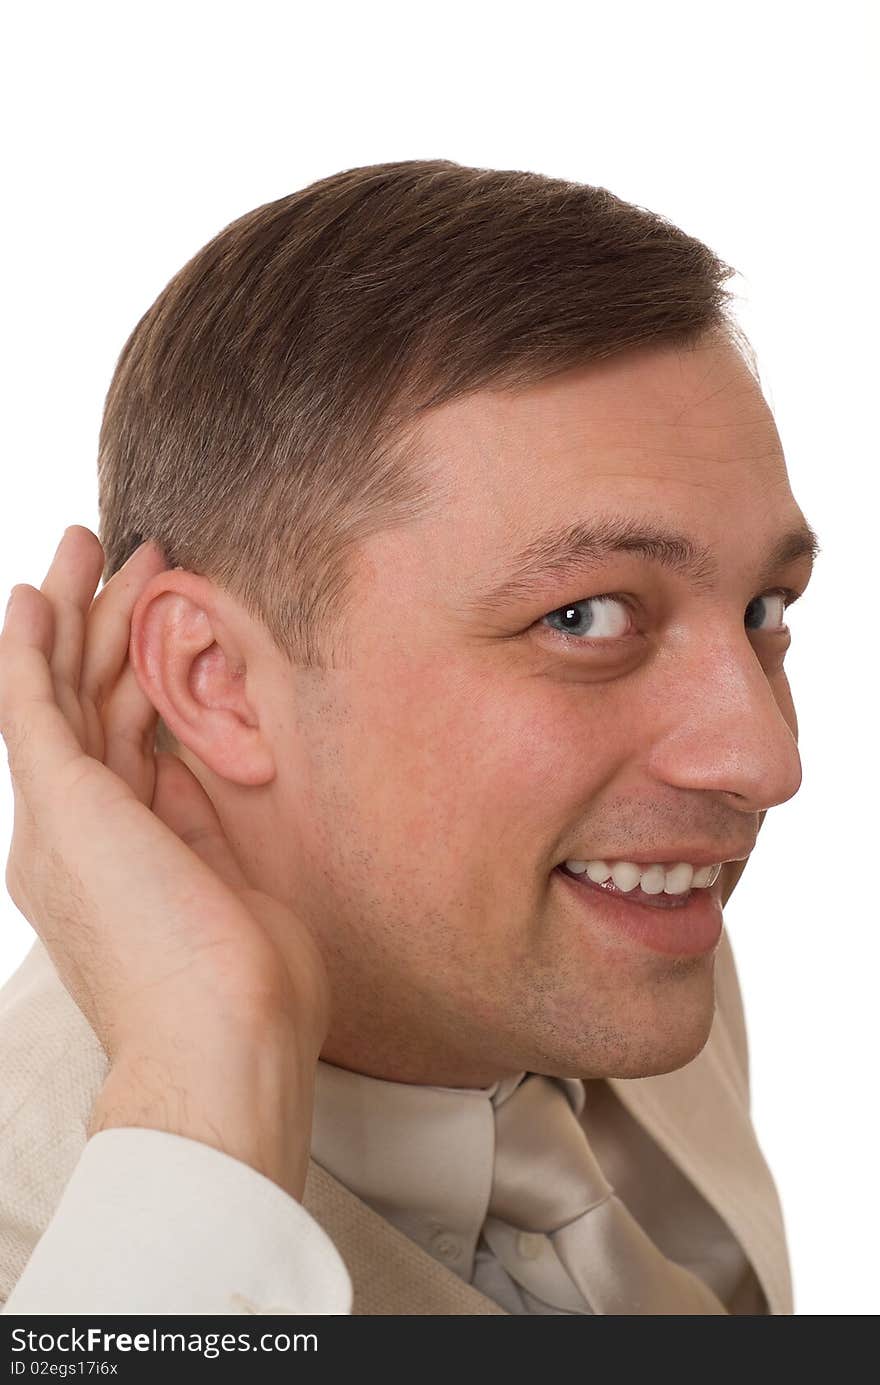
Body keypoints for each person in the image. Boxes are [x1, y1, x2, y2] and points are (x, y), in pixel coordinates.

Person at [0, 159, 817, 1316]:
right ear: (215, 678)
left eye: (762, 611)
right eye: (583, 616)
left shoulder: (619, 917)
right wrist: (204, 1101)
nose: (761, 762)